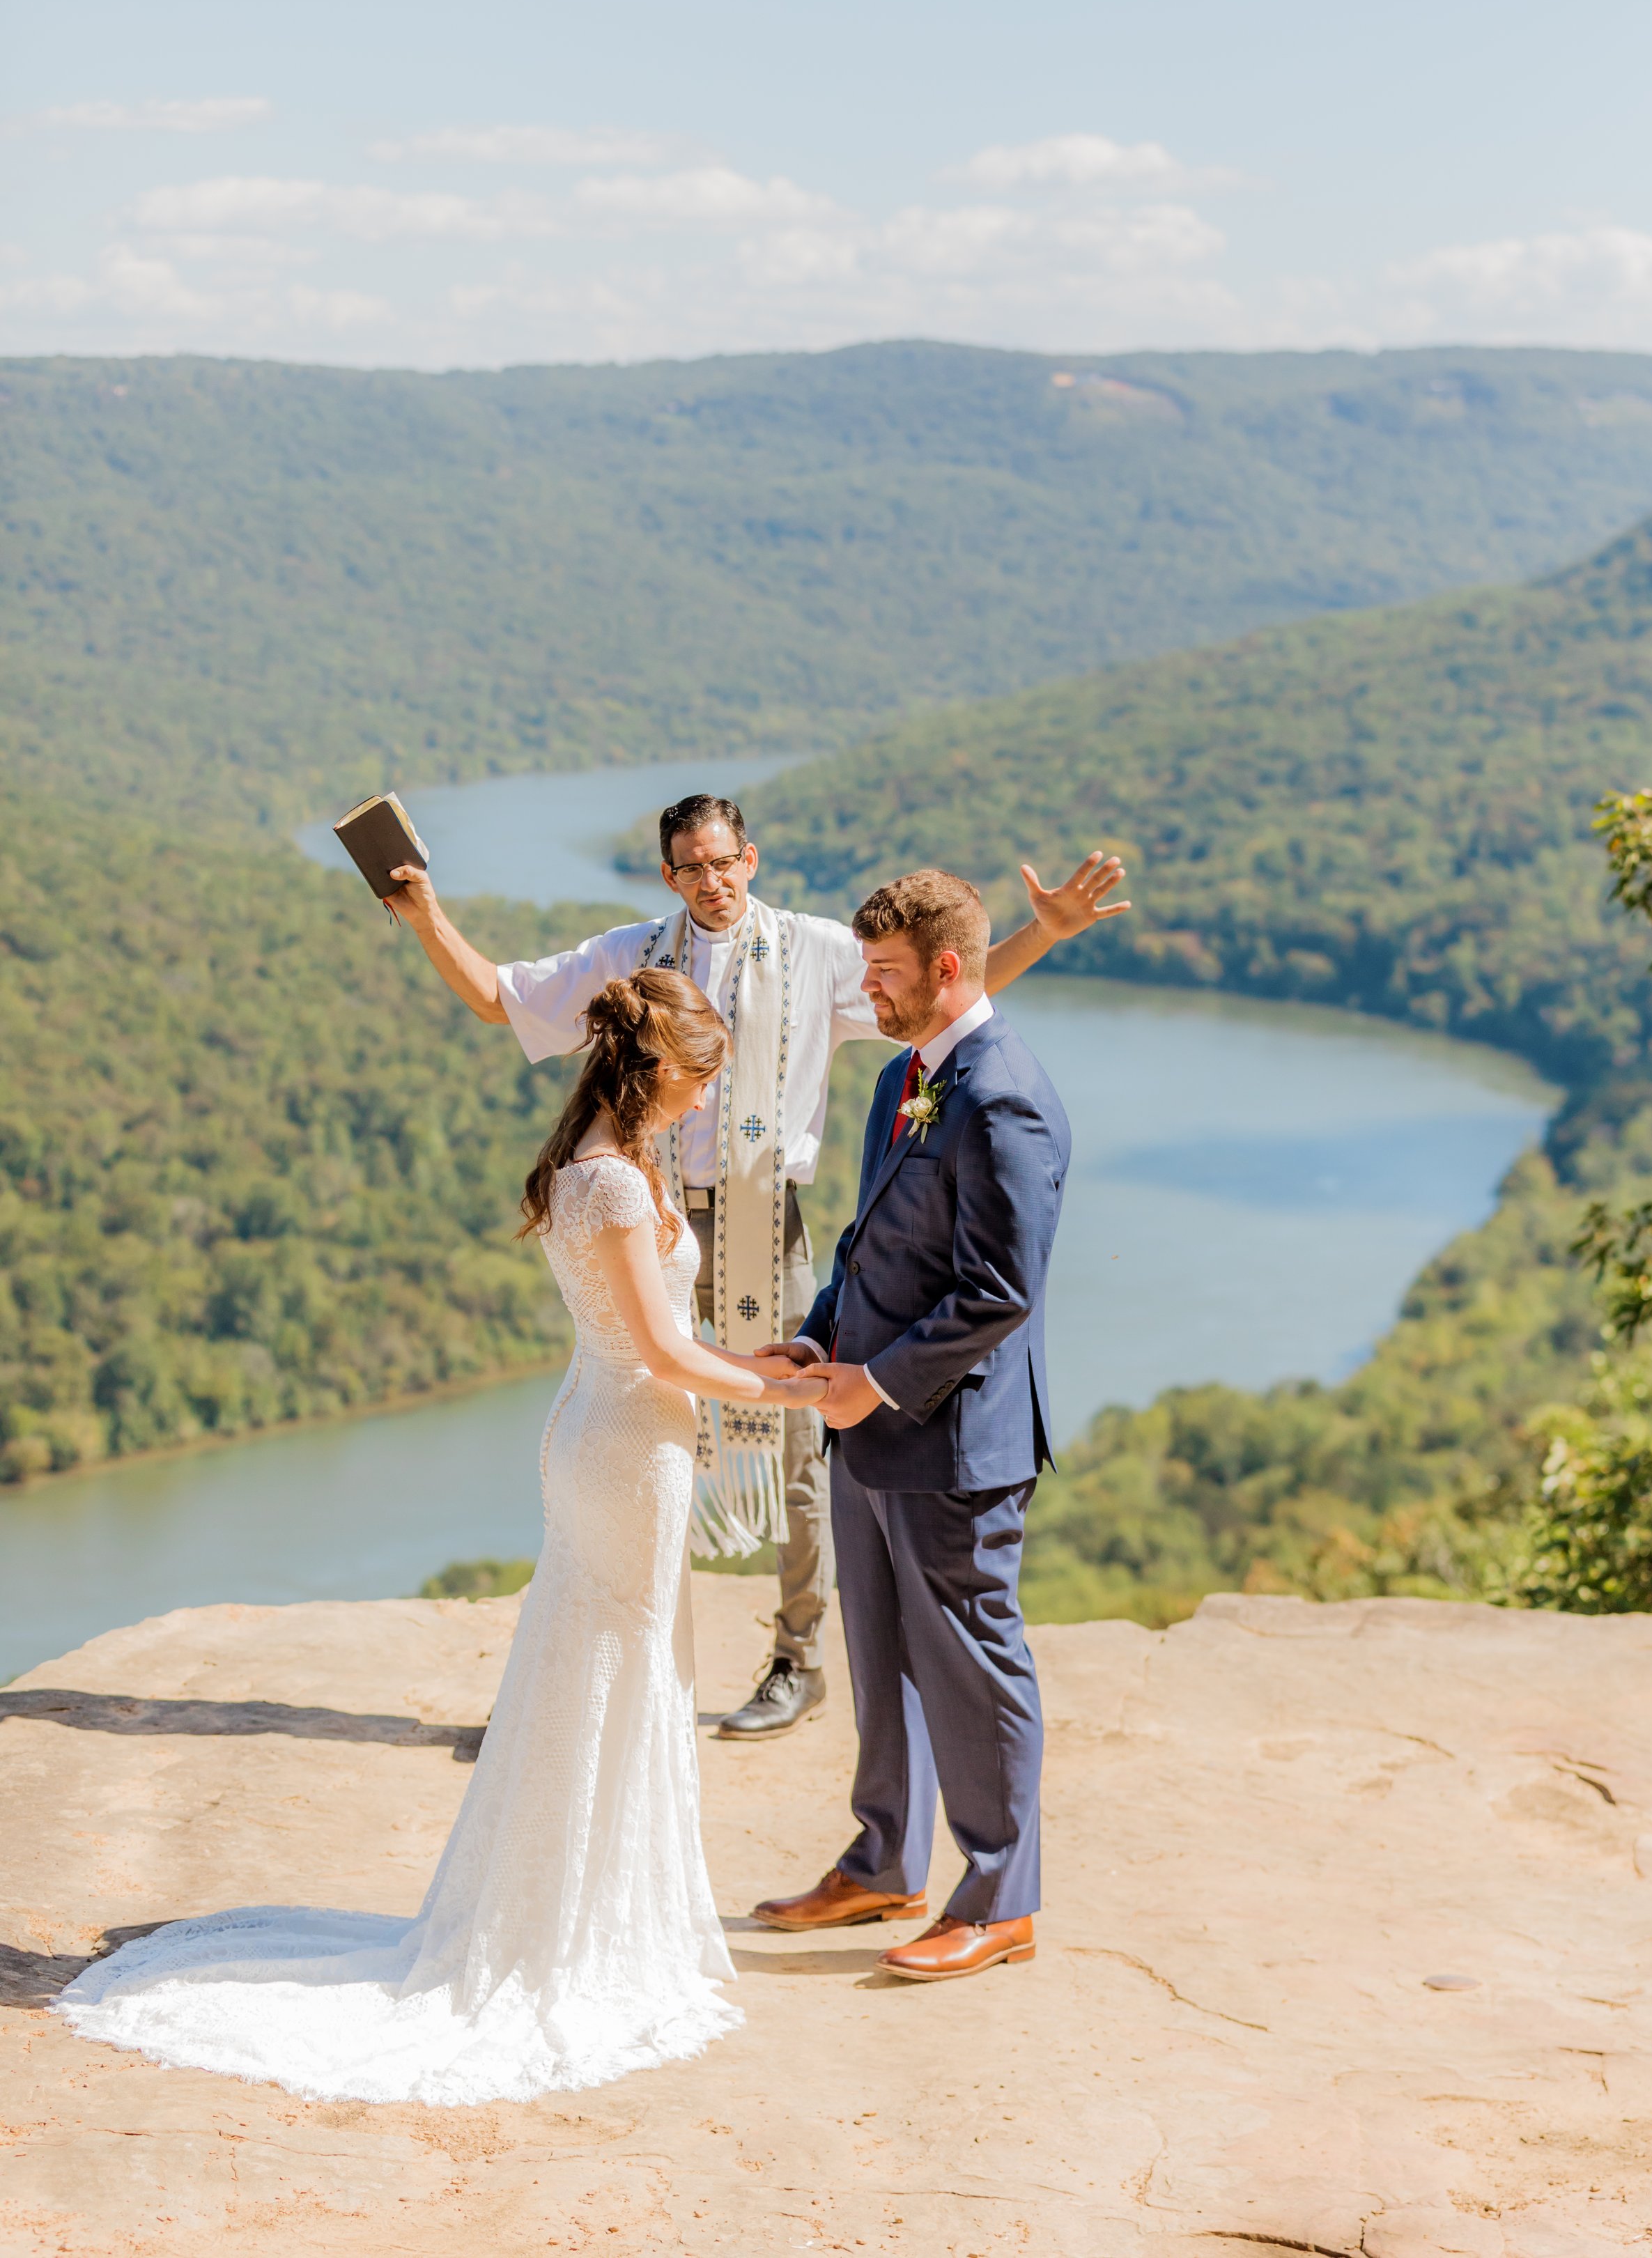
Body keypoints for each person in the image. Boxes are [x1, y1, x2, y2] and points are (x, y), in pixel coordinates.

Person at [56, 972, 819, 2103]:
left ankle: (589, 1910)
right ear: (657, 1068)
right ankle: (571, 1933)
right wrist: (795, 1392)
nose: (708, 1099)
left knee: (610, 1675)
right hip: (623, 1445)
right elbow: (659, 1355)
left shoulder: (611, 1161)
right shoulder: (610, 1181)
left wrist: (764, 1365)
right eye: (702, 1079)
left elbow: (668, 1335)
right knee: (609, 1678)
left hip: (617, 1440)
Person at [384, 794, 1127, 1738]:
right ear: (669, 875)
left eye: (725, 860)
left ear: (753, 859)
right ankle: (609, 1672)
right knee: (641, 1431)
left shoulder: (816, 951)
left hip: (765, 1225)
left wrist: (1043, 933)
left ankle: (796, 1655)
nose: (712, 879)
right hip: (651, 1216)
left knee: (802, 1434)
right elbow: (501, 998)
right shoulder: (631, 953)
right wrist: (424, 914)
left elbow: (947, 992)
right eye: (691, 865)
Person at [752, 871, 1067, 1983]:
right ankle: (886, 1856)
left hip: (951, 1443)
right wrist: (816, 1339)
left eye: (883, 972)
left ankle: (1002, 1898)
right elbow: (867, 1238)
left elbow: (999, 1291)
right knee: (882, 1656)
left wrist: (875, 1386)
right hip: (868, 1421)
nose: (867, 989)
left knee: (973, 1666)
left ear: (946, 968)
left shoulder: (1004, 1096)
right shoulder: (904, 1078)